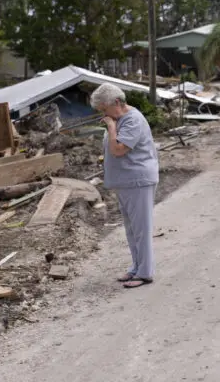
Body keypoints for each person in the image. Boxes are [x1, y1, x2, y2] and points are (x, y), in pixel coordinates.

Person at [90, 83, 159, 288]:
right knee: (131, 228)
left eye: (104, 109)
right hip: (125, 181)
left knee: (141, 228)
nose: (103, 115)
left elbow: (119, 149)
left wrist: (111, 128)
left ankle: (145, 272)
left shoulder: (132, 120)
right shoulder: (120, 119)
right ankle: (136, 267)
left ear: (117, 103)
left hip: (138, 180)